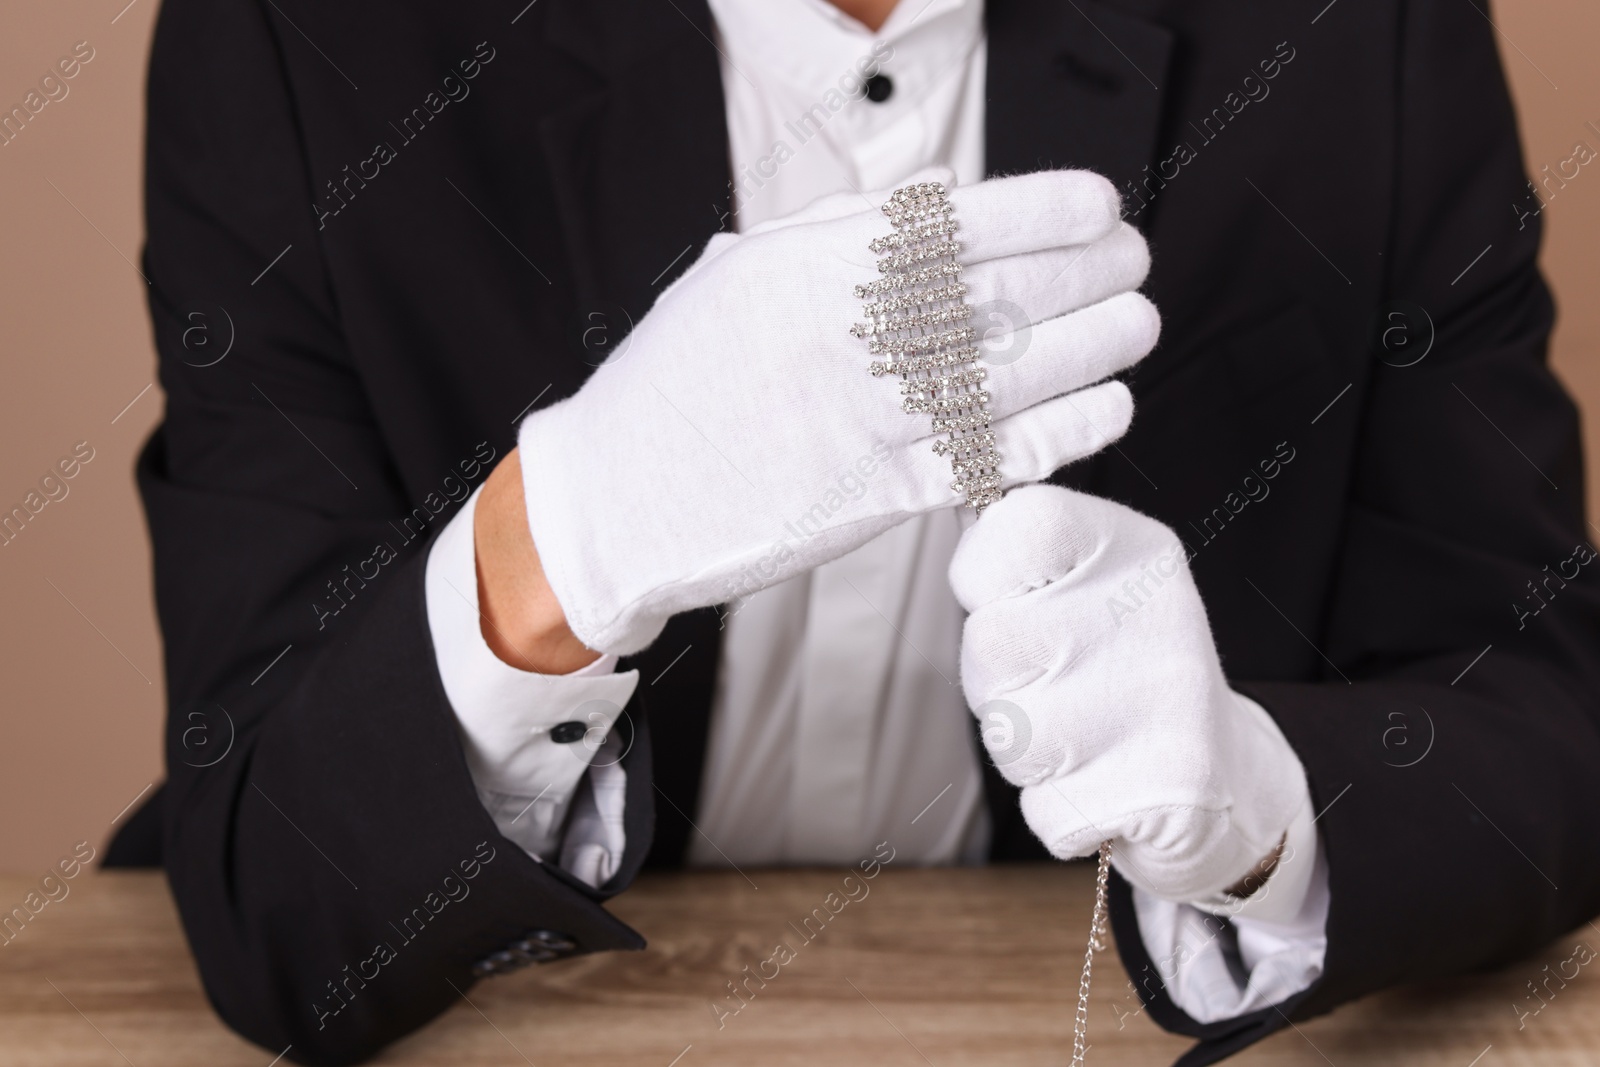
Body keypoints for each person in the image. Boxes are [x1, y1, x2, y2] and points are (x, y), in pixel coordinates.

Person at [108, 0, 1600, 1063]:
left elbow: (1547, 719)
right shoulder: (299, 34)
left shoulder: (1353, 30)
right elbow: (273, 898)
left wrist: (1267, 808)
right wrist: (566, 540)